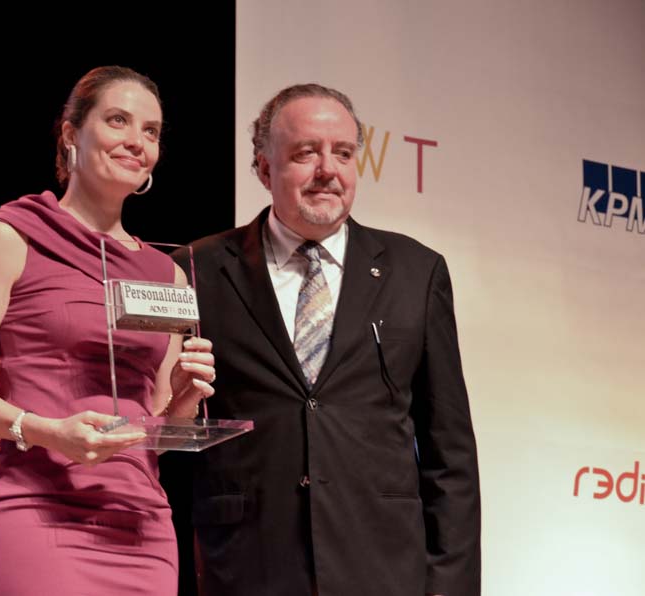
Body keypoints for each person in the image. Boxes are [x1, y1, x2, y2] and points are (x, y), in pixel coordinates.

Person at [174, 84, 481, 595]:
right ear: (264, 168)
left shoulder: (417, 272)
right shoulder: (195, 269)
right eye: (305, 153)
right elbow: (171, 431)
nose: (327, 170)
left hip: (383, 568)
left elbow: (449, 452)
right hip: (247, 567)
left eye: (342, 153)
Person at [0, 65, 215, 595]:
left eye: (151, 131)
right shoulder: (11, 236)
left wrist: (184, 398)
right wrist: (48, 432)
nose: (136, 142)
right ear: (71, 133)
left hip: (141, 526)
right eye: (117, 120)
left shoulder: (168, 274)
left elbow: (159, 436)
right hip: (35, 512)